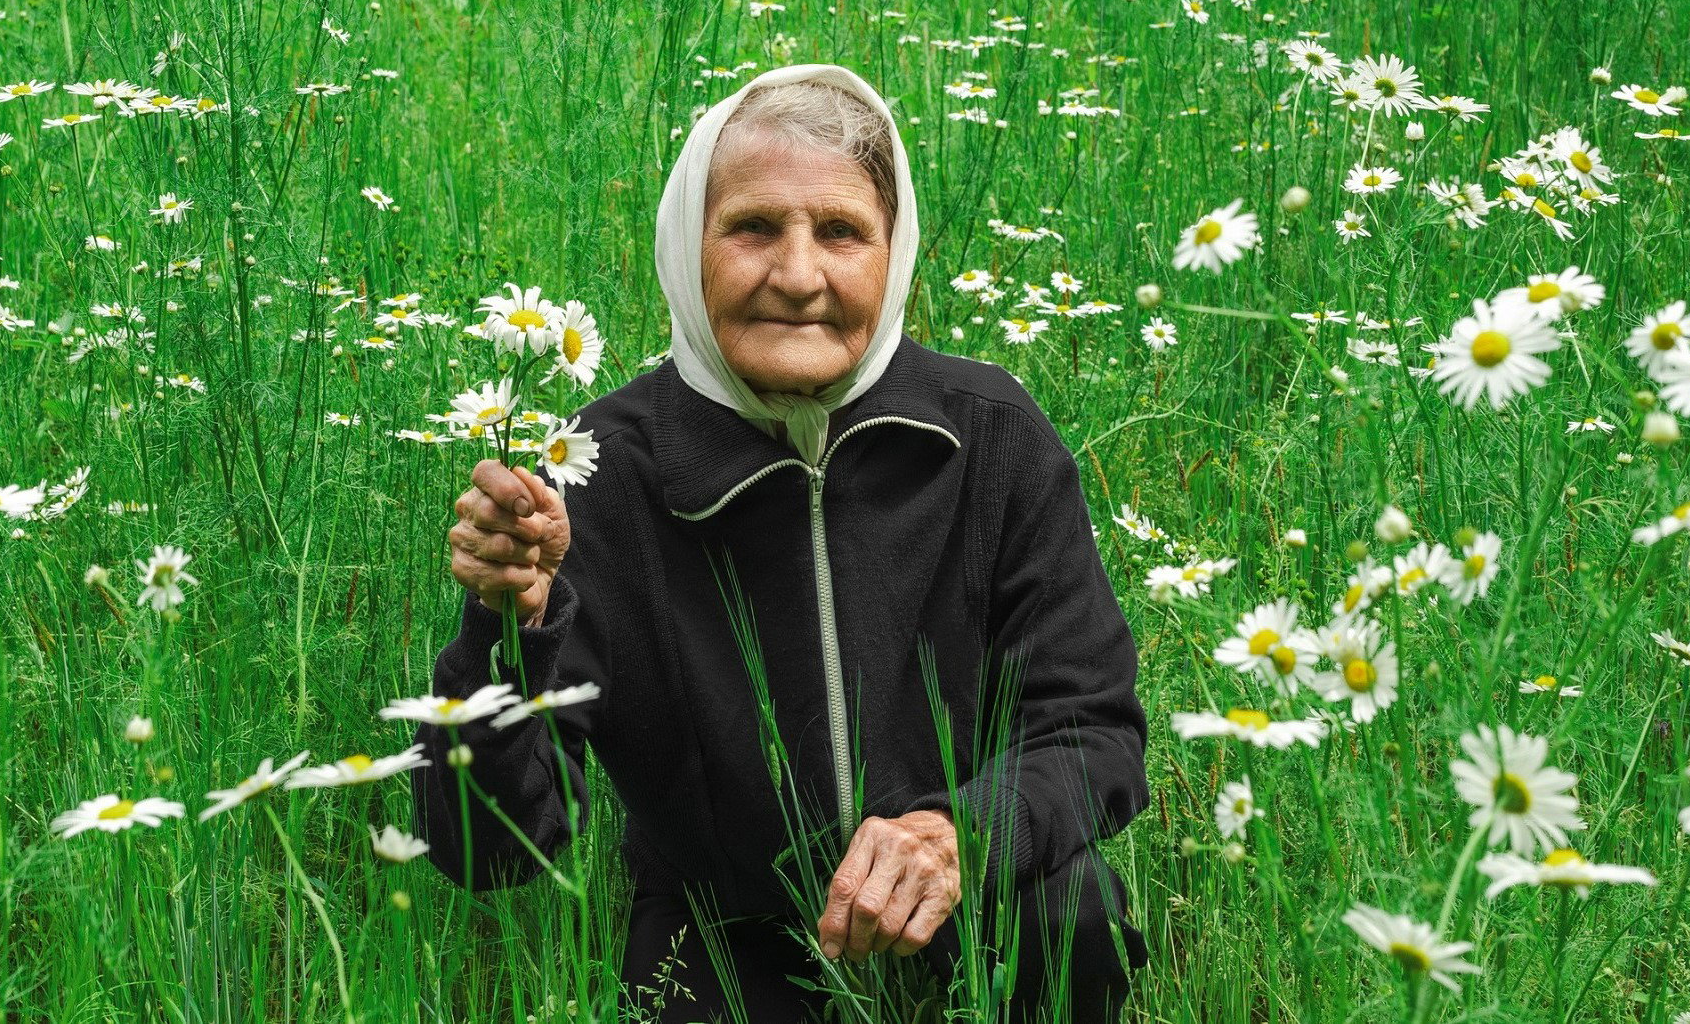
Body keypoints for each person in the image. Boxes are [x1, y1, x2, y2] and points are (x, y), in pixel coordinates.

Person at [410, 62, 1150, 1023]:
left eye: (841, 231)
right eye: (753, 227)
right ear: (688, 244)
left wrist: (957, 836)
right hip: (723, 928)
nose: (798, 277)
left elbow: (1093, 730)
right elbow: (490, 852)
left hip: (967, 899)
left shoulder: (990, 436)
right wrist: (511, 623)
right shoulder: (602, 473)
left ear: (895, 251)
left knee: (1071, 911)